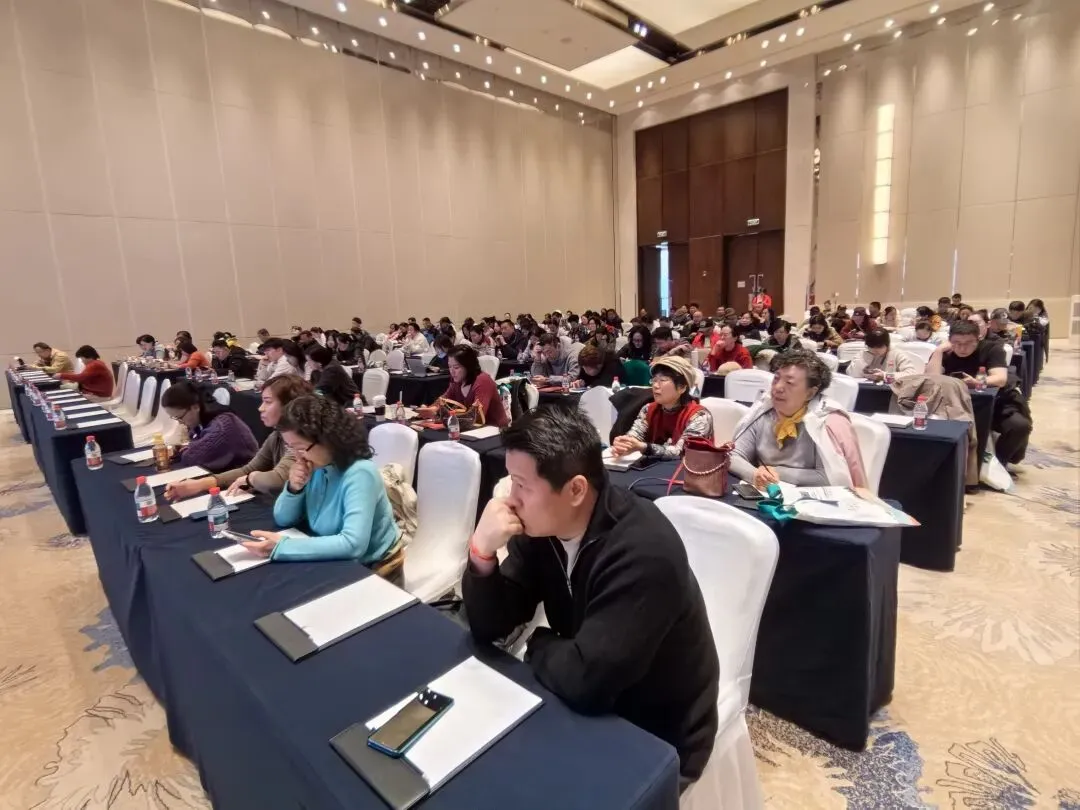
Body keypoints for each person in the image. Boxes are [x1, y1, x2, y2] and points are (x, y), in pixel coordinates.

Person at [461, 406, 719, 784]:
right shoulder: (543, 529)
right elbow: (492, 626)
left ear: (576, 490)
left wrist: (538, 642)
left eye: (522, 485)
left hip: (657, 736)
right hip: (588, 699)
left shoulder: (644, 551)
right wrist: (482, 554)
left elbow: (587, 682)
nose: (510, 499)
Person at [239, 396, 399, 563]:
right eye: (291, 448)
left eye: (301, 448)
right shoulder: (316, 466)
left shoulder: (360, 473)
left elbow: (353, 544)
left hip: (374, 565)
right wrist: (294, 489)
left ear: (328, 440)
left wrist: (282, 547)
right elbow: (283, 519)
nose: (297, 456)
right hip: (336, 556)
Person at [164, 376, 313, 501]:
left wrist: (250, 479)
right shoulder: (276, 436)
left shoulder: (303, 440)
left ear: (289, 406)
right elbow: (249, 469)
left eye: (267, 402)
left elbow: (277, 479)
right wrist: (198, 485)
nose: (260, 408)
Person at [730, 351, 867, 487]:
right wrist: (755, 474)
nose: (777, 387)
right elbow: (733, 456)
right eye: (776, 379)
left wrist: (777, 472)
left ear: (810, 393)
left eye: (789, 383)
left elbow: (831, 477)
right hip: (767, 493)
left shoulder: (825, 422)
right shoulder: (764, 412)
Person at [927, 320, 1031, 465]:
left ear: (978, 339)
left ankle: (998, 463)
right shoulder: (944, 352)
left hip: (995, 403)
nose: (962, 348)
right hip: (954, 405)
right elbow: (931, 379)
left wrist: (977, 382)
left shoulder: (992, 348)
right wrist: (938, 351)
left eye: (969, 343)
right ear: (949, 340)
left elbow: (1000, 378)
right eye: (957, 343)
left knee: (1019, 426)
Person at [611, 356, 713, 460]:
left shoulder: (699, 416)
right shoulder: (648, 409)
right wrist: (625, 444)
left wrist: (644, 447)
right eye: (654, 380)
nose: (655, 386)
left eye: (662, 380)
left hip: (688, 469)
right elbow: (635, 435)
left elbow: (683, 452)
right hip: (652, 467)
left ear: (682, 387)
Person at [161, 381, 258, 472]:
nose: (180, 423)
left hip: (243, 477)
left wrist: (186, 450)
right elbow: (193, 445)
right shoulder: (203, 420)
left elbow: (191, 458)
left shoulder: (221, 428)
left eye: (180, 417)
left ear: (195, 407)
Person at [417, 345, 509, 427]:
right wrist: (430, 409)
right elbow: (444, 398)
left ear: (468, 366)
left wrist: (439, 414)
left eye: (456, 367)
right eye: (450, 367)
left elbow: (477, 416)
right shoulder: (457, 380)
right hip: (471, 429)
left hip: (494, 430)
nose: (452, 371)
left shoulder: (483, 381)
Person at [846, 328, 918, 381]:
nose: (875, 350)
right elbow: (851, 374)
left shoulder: (897, 354)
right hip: (867, 390)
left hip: (890, 392)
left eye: (879, 347)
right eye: (871, 346)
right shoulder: (863, 353)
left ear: (887, 345)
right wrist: (865, 359)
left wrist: (885, 375)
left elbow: (911, 374)